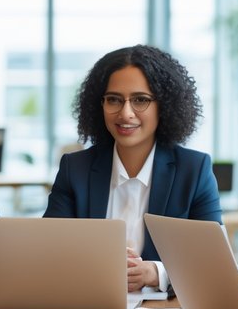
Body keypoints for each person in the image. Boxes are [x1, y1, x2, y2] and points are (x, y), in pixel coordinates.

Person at [44, 45, 222, 292]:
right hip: (88, 306)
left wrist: (156, 272)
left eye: (140, 100)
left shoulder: (193, 170)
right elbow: (49, 252)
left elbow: (213, 262)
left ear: (165, 106)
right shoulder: (75, 169)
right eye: (114, 100)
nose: (125, 113)